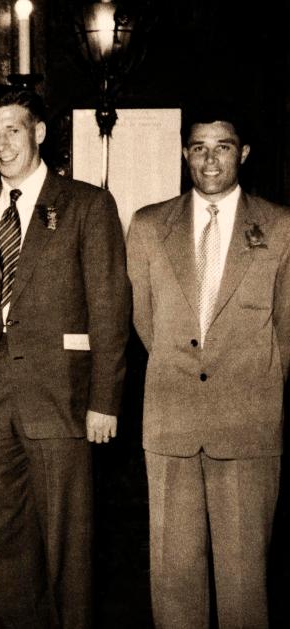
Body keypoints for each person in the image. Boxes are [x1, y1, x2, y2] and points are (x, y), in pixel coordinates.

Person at [0, 84, 131, 629]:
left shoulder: (86, 205)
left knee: (66, 547)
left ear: (39, 133)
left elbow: (109, 310)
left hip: (62, 399)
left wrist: (105, 401)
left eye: (13, 129)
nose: (1, 143)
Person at [126, 105, 289, 629]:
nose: (210, 159)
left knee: (244, 581)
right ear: (184, 154)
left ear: (242, 153)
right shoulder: (150, 225)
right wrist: (184, 368)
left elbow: (287, 331)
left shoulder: (281, 227)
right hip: (171, 420)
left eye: (222, 146)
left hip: (247, 421)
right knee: (173, 578)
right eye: (198, 147)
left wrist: (251, 383)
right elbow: (143, 320)